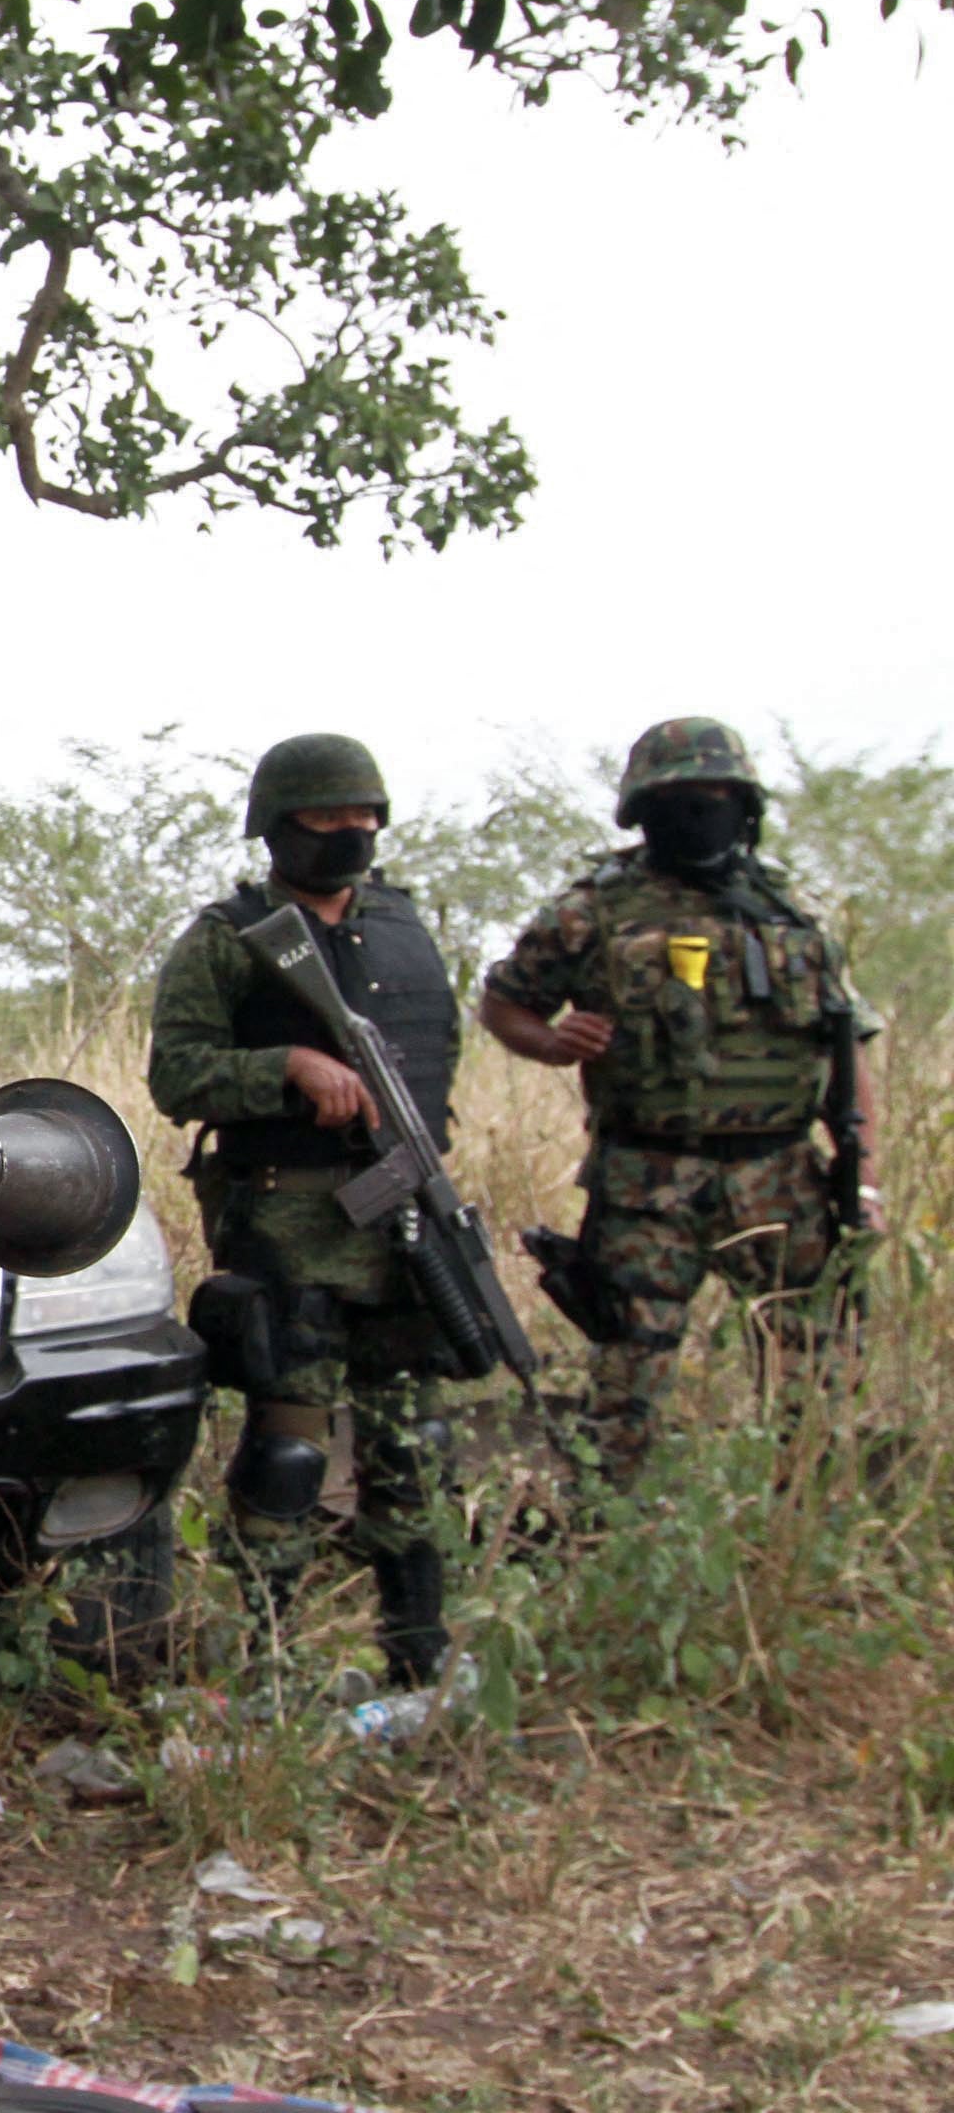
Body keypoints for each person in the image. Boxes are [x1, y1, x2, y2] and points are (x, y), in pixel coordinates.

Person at [476, 716, 878, 1487]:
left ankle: (800, 1532)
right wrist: (553, 1043)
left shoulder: (794, 912)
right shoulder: (591, 910)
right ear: (641, 810)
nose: (699, 812)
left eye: (716, 796)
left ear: (745, 805)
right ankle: (604, 1530)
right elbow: (503, 1005)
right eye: (678, 798)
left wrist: (864, 1180)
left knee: (814, 1370)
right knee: (628, 1377)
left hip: (783, 1175)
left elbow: (847, 1048)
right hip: (647, 1179)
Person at [147, 734, 462, 1688]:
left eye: (365, 816)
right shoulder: (227, 938)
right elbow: (177, 1075)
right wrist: (285, 1069)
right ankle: (267, 1662)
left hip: (409, 1224)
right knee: (290, 1450)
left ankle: (418, 1653)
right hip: (291, 1223)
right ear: (279, 826)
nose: (351, 833)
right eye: (327, 818)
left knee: (415, 1443)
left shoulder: (403, 925)